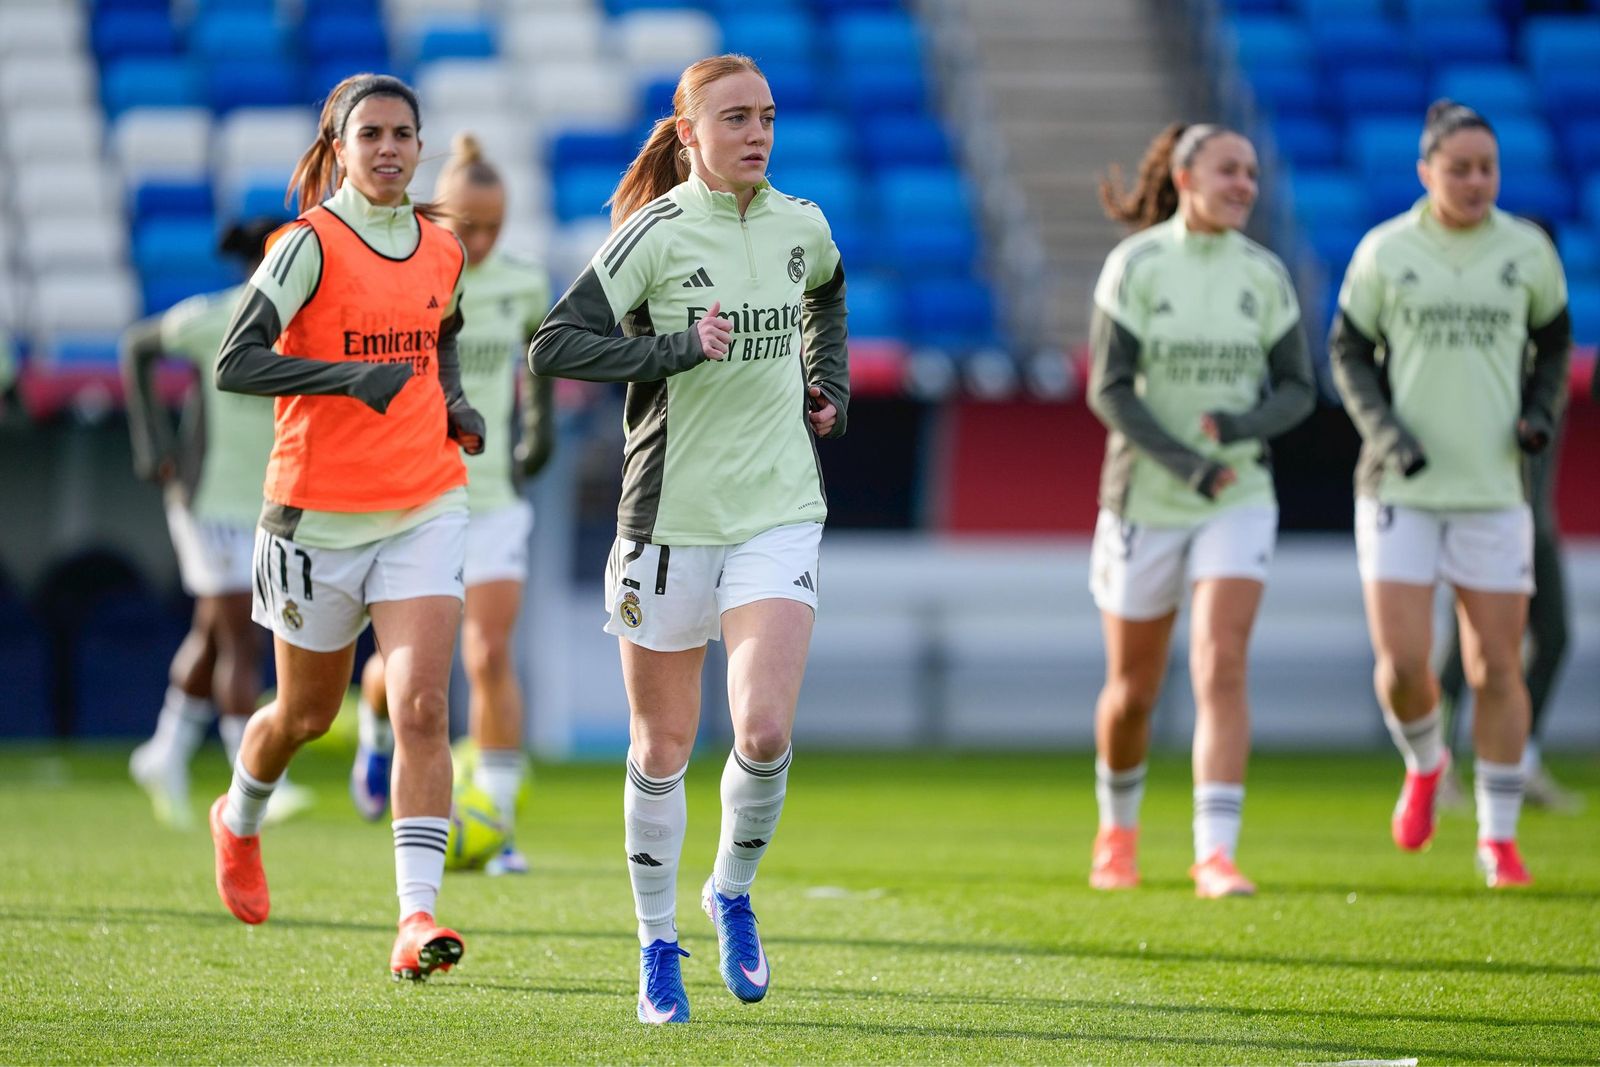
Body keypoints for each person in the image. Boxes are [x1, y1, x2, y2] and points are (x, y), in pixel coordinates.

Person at [529, 54, 848, 1024]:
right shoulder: (653, 234)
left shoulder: (803, 223)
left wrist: (821, 377)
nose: (756, 133)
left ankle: (732, 891)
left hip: (776, 509)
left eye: (767, 116)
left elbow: (825, 293)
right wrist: (673, 350)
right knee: (662, 746)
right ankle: (656, 943)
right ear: (688, 132)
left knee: (760, 729)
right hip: (664, 519)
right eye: (735, 118)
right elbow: (556, 342)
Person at [207, 73, 488, 980]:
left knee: (423, 705)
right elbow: (234, 360)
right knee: (305, 714)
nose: (390, 148)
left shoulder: (441, 244)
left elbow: (440, 330)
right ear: (338, 146)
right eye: (370, 133)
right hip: (313, 518)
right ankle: (238, 817)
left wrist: (452, 400)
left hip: (426, 500)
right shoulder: (305, 246)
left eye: (405, 133)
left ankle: (416, 920)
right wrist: (341, 379)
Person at [1330, 100, 1570, 889]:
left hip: (1495, 489)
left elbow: (1554, 342)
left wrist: (1538, 414)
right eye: (1459, 168)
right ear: (1425, 171)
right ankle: (1426, 762)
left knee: (1497, 664)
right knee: (1402, 664)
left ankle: (1497, 838)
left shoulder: (1527, 250)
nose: (1475, 181)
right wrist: (1385, 429)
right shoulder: (1386, 250)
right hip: (1401, 485)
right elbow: (1349, 351)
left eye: (1487, 168)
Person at [1085, 123, 1315, 899]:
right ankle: (1117, 833)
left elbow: (1298, 389)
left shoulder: (1266, 273)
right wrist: (1188, 462)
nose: (1245, 184)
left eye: (1251, 171)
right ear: (1186, 178)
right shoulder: (1138, 264)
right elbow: (1107, 390)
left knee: (1220, 661)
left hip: (1239, 494)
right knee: (1133, 692)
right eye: (1228, 170)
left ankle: (1214, 852)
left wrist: (1238, 433)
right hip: (1145, 496)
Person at [349, 132, 554, 878]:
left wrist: (540, 429)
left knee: (491, 653)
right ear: (441, 216)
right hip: (420, 495)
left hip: (495, 498)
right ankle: (374, 728)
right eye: (471, 225)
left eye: (497, 224)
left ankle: (497, 826)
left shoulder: (525, 284)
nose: (485, 239)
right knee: (406, 676)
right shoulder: (414, 277)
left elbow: (543, 360)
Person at [121, 219, 312, 829]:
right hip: (207, 502)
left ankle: (165, 751)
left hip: (264, 505)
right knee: (242, 637)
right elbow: (137, 346)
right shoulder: (220, 315)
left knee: (212, 633)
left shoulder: (308, 325)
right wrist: (152, 444)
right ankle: (251, 778)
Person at [1437, 406, 1580, 813]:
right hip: (1486, 517)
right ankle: (1437, 766)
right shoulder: (1497, 357)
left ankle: (1520, 757)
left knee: (1554, 637)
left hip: (1535, 520)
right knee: (1466, 645)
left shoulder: (1551, 356)